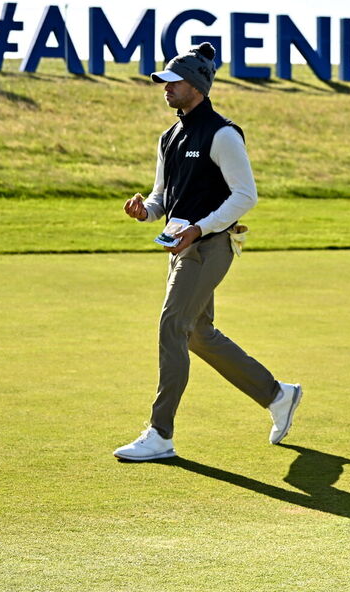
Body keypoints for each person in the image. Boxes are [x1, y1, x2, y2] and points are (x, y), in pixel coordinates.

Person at [113, 42, 302, 462]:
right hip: (181, 246)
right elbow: (164, 197)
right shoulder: (169, 136)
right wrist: (146, 211)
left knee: (171, 324)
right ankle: (277, 395)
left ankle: (160, 434)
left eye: (173, 82)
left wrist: (200, 228)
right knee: (197, 333)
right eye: (163, 81)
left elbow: (244, 195)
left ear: (196, 86)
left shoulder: (222, 134)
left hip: (211, 245)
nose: (165, 87)